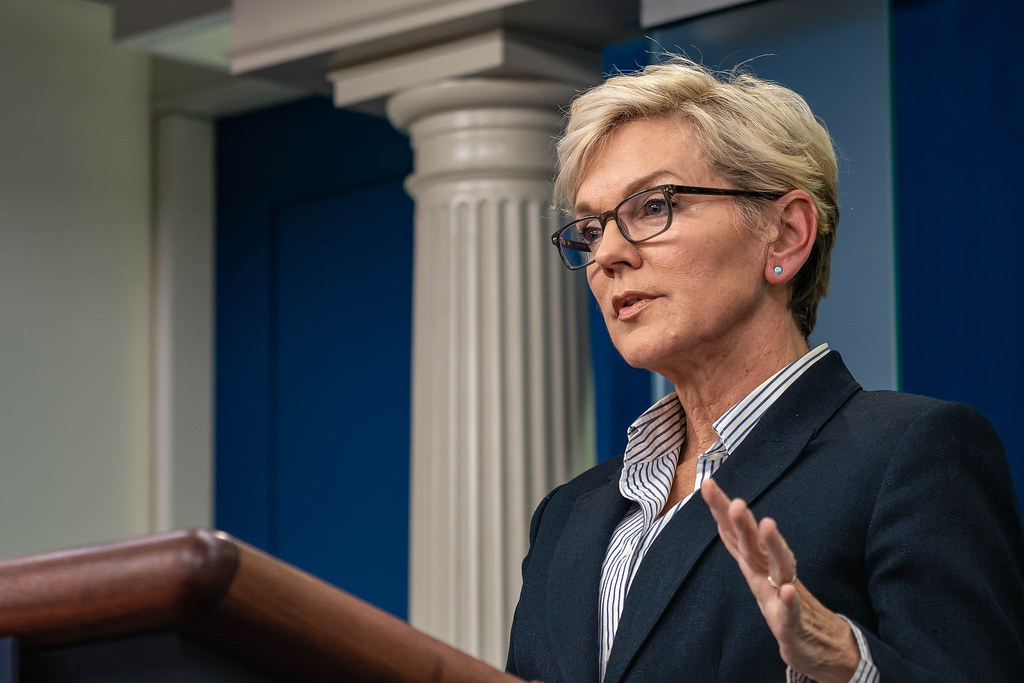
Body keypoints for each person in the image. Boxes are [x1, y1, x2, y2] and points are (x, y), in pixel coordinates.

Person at [505, 57, 1024, 682]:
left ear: (784, 235)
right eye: (590, 230)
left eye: (653, 206)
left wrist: (849, 665)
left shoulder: (910, 455)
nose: (608, 254)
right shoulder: (566, 515)